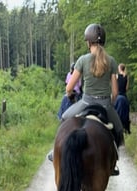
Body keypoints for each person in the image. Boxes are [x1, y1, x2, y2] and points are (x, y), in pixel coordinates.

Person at [49, 23, 124, 176]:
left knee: (64, 117)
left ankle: (54, 151)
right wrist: (109, 102)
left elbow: (69, 88)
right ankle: (114, 161)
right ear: (103, 41)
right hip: (105, 105)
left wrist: (70, 95)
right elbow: (115, 92)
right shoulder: (111, 61)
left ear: (89, 42)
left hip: (85, 103)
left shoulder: (83, 60)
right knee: (118, 129)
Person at [114, 63, 131, 134]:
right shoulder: (127, 76)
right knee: (127, 112)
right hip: (124, 95)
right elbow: (127, 88)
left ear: (120, 68)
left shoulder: (116, 76)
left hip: (117, 95)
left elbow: (114, 87)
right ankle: (127, 128)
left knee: (114, 110)